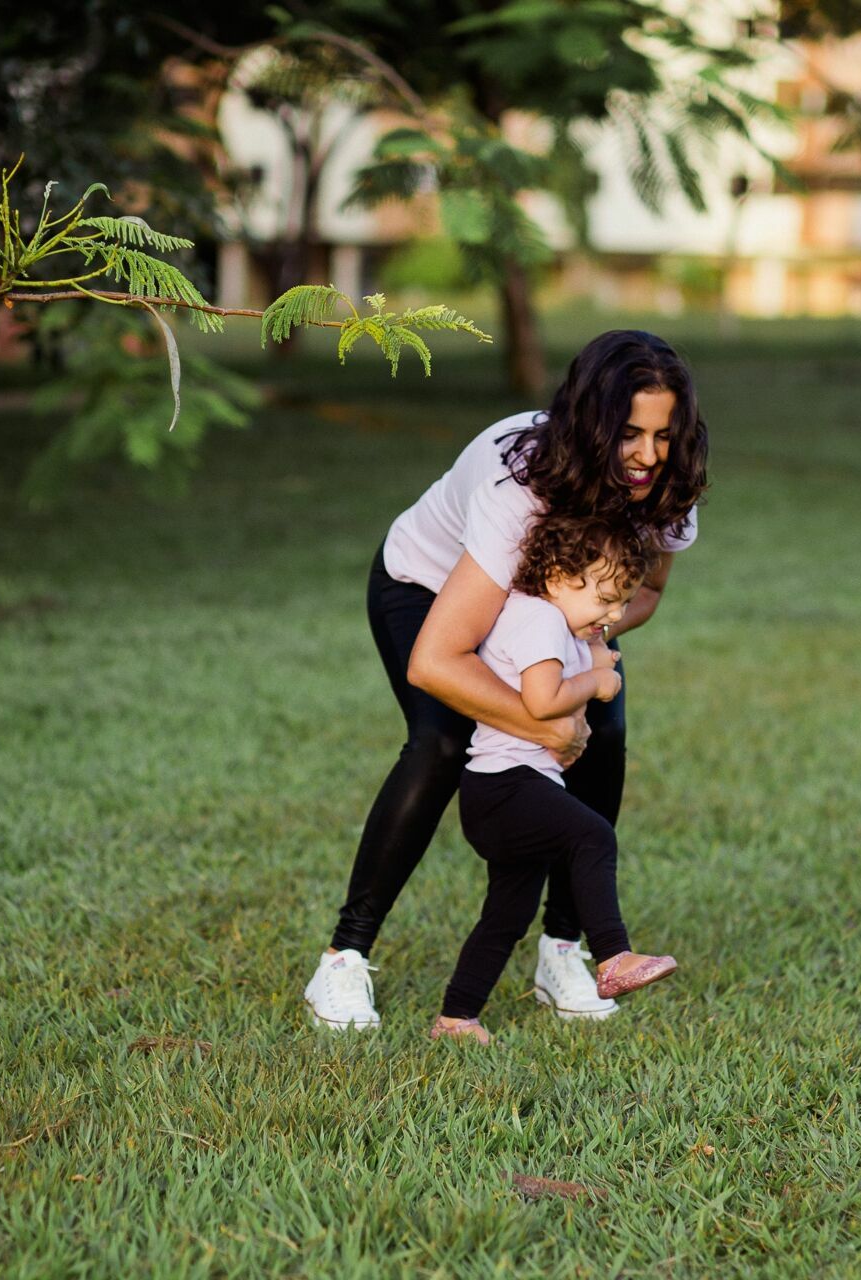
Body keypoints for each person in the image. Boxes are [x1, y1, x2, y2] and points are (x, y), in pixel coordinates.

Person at [302, 330, 708, 1031]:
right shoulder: (518, 476)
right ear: (592, 425)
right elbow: (436, 659)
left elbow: (648, 592)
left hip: (550, 611)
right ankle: (343, 960)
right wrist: (546, 719)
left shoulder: (665, 481)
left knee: (604, 731)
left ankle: (562, 950)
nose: (647, 456)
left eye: (663, 435)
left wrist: (582, 651)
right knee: (441, 739)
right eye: (630, 435)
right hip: (429, 593)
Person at [430, 513, 679, 1045]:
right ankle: (613, 956)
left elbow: (578, 662)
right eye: (606, 599)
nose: (614, 614)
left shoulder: (552, 621)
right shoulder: (539, 620)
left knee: (507, 914)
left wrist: (593, 651)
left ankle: (456, 1018)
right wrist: (596, 681)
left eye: (621, 602)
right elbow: (542, 702)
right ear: (562, 577)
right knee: (593, 834)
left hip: (504, 790)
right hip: (506, 786)